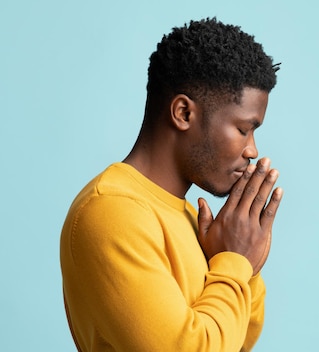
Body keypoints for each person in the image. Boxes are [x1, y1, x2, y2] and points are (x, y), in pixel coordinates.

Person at [60, 17, 283, 352]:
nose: (252, 150)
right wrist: (236, 260)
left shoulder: (194, 221)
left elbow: (236, 341)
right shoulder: (111, 212)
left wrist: (243, 261)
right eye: (242, 129)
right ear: (183, 113)